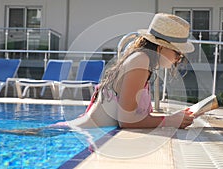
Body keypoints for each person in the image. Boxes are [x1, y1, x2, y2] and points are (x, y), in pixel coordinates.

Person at [59, 13, 196, 130]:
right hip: (74, 133)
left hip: (83, 132)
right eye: (178, 53)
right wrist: (171, 121)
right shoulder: (141, 60)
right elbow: (127, 121)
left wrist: (175, 118)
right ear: (161, 47)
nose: (178, 59)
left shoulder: (143, 61)